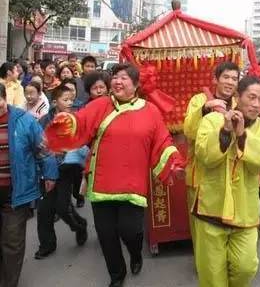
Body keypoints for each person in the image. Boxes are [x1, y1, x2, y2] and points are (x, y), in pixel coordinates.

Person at [45, 63, 184, 287]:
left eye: (124, 78)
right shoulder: (101, 105)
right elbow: (80, 122)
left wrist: (173, 161)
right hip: (102, 182)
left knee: (131, 231)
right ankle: (117, 275)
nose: (118, 81)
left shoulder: (149, 111)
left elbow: (162, 142)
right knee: (106, 235)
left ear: (136, 85)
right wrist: (67, 122)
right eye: (116, 77)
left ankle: (135, 252)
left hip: (133, 183)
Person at [193, 76, 260, 287]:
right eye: (251, 98)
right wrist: (226, 130)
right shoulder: (212, 120)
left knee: (246, 267)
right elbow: (205, 156)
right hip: (211, 209)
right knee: (212, 276)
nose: (257, 104)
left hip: (245, 213)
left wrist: (242, 135)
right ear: (237, 97)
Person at [0, 83, 58, 287]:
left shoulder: (23, 121)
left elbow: (43, 148)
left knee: (12, 242)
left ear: (4, 99)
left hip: (16, 192)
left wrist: (50, 174)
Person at [183, 62, 239, 256]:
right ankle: (204, 263)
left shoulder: (240, 103)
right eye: (226, 77)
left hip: (231, 176)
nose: (230, 82)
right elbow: (189, 131)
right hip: (200, 175)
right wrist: (206, 109)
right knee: (201, 226)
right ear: (215, 79)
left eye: (234, 78)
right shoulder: (199, 100)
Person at [35, 85, 89, 260]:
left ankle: (80, 226)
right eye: (65, 99)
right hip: (47, 169)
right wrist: (45, 149)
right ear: (54, 101)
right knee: (44, 210)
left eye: (71, 99)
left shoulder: (75, 119)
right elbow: (38, 143)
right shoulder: (44, 120)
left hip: (67, 169)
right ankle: (47, 245)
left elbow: (82, 141)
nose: (69, 102)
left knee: (62, 207)